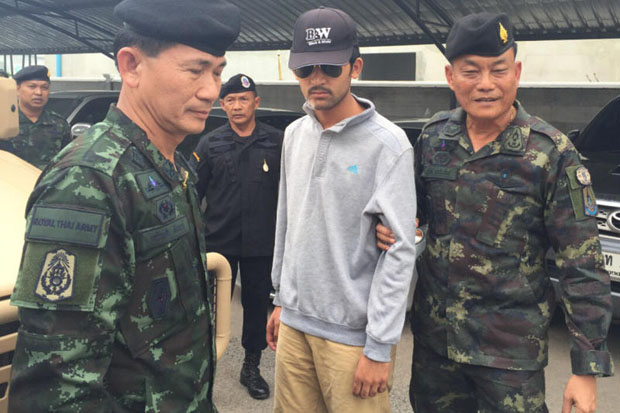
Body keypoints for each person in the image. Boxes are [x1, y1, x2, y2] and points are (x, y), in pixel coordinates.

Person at [376, 12, 614, 413]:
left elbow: (583, 266)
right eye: (471, 71)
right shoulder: (434, 139)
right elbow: (411, 214)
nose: (485, 84)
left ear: (516, 72)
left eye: (497, 70)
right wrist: (395, 230)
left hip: (510, 360)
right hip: (436, 349)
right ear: (451, 77)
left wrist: (585, 370)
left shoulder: (551, 153)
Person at [8, 0, 240, 411]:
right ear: (131, 65)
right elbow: (57, 393)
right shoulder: (89, 180)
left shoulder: (170, 162)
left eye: (218, 71)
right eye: (195, 69)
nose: (211, 90)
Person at [265, 7, 417, 412]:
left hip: (352, 338)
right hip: (294, 326)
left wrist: (380, 346)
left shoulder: (389, 146)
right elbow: (286, 219)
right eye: (305, 69)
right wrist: (280, 298)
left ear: (356, 67)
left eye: (330, 68)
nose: (316, 79)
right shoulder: (294, 135)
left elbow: (400, 251)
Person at [193, 73, 282, 400]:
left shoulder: (276, 141)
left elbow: (291, 191)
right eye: (230, 100)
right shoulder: (210, 143)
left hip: (261, 242)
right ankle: (203, 366)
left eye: (243, 99)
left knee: (256, 304)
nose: (236, 106)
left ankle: (251, 366)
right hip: (220, 242)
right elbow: (193, 192)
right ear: (222, 104)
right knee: (211, 307)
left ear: (255, 103)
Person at [3, 65, 71, 169]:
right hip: (12, 183)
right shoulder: (4, 121)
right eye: (32, 86)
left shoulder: (59, 124)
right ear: (17, 89)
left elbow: (67, 161)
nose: (39, 92)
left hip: (46, 183)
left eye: (44, 87)